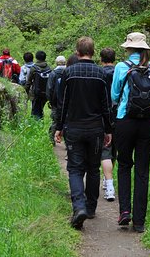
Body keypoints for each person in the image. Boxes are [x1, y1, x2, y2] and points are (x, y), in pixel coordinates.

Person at [54, 37, 112, 230]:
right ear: (93, 52)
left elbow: (63, 104)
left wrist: (59, 127)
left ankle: (79, 207)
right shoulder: (100, 73)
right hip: (95, 128)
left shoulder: (69, 73)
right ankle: (91, 207)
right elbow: (105, 105)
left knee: (75, 168)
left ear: (77, 52)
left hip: (74, 127)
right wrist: (108, 129)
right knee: (94, 168)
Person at [111, 32, 150, 233]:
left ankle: (125, 211)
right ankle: (139, 221)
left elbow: (115, 94)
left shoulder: (121, 67)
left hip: (125, 121)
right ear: (145, 48)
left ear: (128, 48)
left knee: (124, 165)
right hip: (146, 125)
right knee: (142, 170)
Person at [99, 47, 117, 202]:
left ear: (101, 59)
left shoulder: (99, 73)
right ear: (115, 59)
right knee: (114, 150)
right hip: (119, 115)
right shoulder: (121, 72)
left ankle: (109, 185)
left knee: (105, 150)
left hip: (102, 116)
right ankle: (107, 179)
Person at [46, 55, 67, 145]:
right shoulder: (69, 72)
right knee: (67, 121)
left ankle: (51, 140)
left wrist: (50, 101)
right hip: (67, 101)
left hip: (56, 102)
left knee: (55, 120)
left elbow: (49, 88)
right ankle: (67, 143)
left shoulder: (53, 73)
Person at [25, 50, 51, 119]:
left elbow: (29, 81)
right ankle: (40, 122)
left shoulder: (34, 68)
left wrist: (26, 91)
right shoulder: (49, 68)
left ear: (36, 58)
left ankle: (36, 124)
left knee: (35, 111)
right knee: (40, 108)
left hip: (36, 92)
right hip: (46, 92)